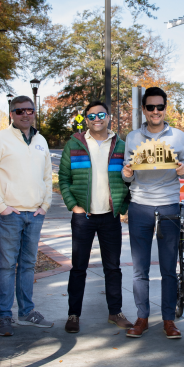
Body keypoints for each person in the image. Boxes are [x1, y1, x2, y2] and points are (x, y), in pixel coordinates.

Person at [0, 96, 54, 336]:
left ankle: (26, 312)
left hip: (35, 214)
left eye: (29, 110)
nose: (25, 114)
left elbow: (47, 176)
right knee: (7, 266)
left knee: (28, 265)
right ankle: (5, 316)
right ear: (11, 114)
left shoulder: (41, 141)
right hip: (10, 215)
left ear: (34, 112)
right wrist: (1, 207)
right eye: (19, 111)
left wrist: (45, 205)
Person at [121, 87, 184, 340]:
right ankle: (142, 317)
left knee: (168, 268)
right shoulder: (132, 138)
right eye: (150, 107)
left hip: (168, 205)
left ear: (165, 108)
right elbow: (127, 174)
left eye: (159, 107)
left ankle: (168, 320)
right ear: (143, 109)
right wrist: (126, 174)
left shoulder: (178, 136)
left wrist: (183, 170)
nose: (155, 111)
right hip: (140, 205)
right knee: (139, 269)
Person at [59, 100, 133, 334]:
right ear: (86, 120)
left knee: (113, 268)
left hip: (110, 216)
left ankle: (115, 312)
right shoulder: (75, 144)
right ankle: (73, 314)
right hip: (84, 217)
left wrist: (122, 206)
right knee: (78, 268)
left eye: (101, 114)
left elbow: (131, 178)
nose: (97, 119)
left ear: (109, 117)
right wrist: (74, 206)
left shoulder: (121, 145)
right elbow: (64, 179)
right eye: (91, 116)